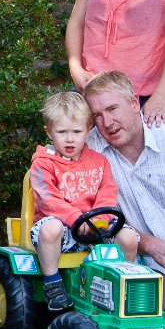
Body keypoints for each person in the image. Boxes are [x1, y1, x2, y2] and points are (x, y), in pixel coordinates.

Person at [84, 71, 165, 313]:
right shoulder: (91, 149)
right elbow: (93, 217)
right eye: (97, 116)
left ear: (134, 102)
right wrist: (149, 245)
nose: (107, 123)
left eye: (112, 109)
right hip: (150, 269)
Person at [29, 91, 139, 312]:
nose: (70, 138)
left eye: (77, 131)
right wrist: (77, 220)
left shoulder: (100, 161)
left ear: (88, 131)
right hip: (63, 230)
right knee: (50, 228)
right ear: (49, 132)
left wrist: (98, 220)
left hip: (96, 228)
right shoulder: (42, 163)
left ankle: (123, 285)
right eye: (62, 132)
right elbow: (48, 200)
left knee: (128, 237)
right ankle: (52, 284)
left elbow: (108, 193)